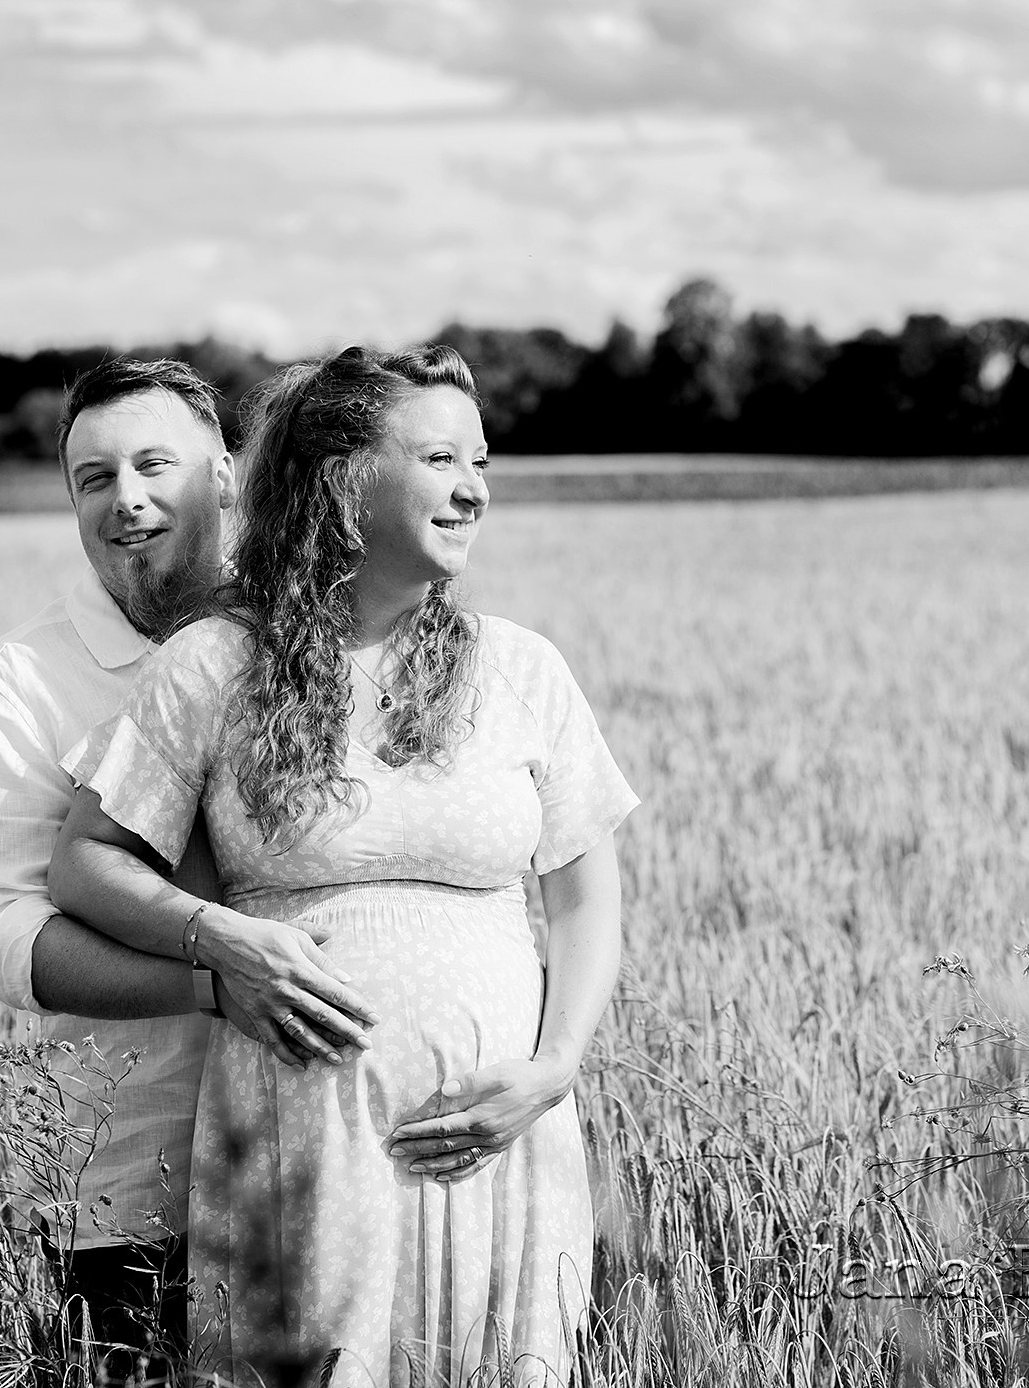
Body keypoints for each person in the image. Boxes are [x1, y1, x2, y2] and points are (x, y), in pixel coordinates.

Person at [47, 343, 636, 1386]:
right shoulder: (216, 663)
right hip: (300, 1145)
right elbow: (87, 866)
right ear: (342, 476)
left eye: (482, 464)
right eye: (443, 459)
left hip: (507, 1144)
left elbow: (586, 899)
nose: (472, 490)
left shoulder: (521, 668)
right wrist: (215, 936)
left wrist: (550, 1074)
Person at [0, 358, 370, 1382]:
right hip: (137, 1176)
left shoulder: (323, 637)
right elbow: (6, 940)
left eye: (151, 464)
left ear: (224, 476)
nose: (124, 499)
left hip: (333, 1139)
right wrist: (213, 983)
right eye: (92, 477)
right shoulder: (20, 684)